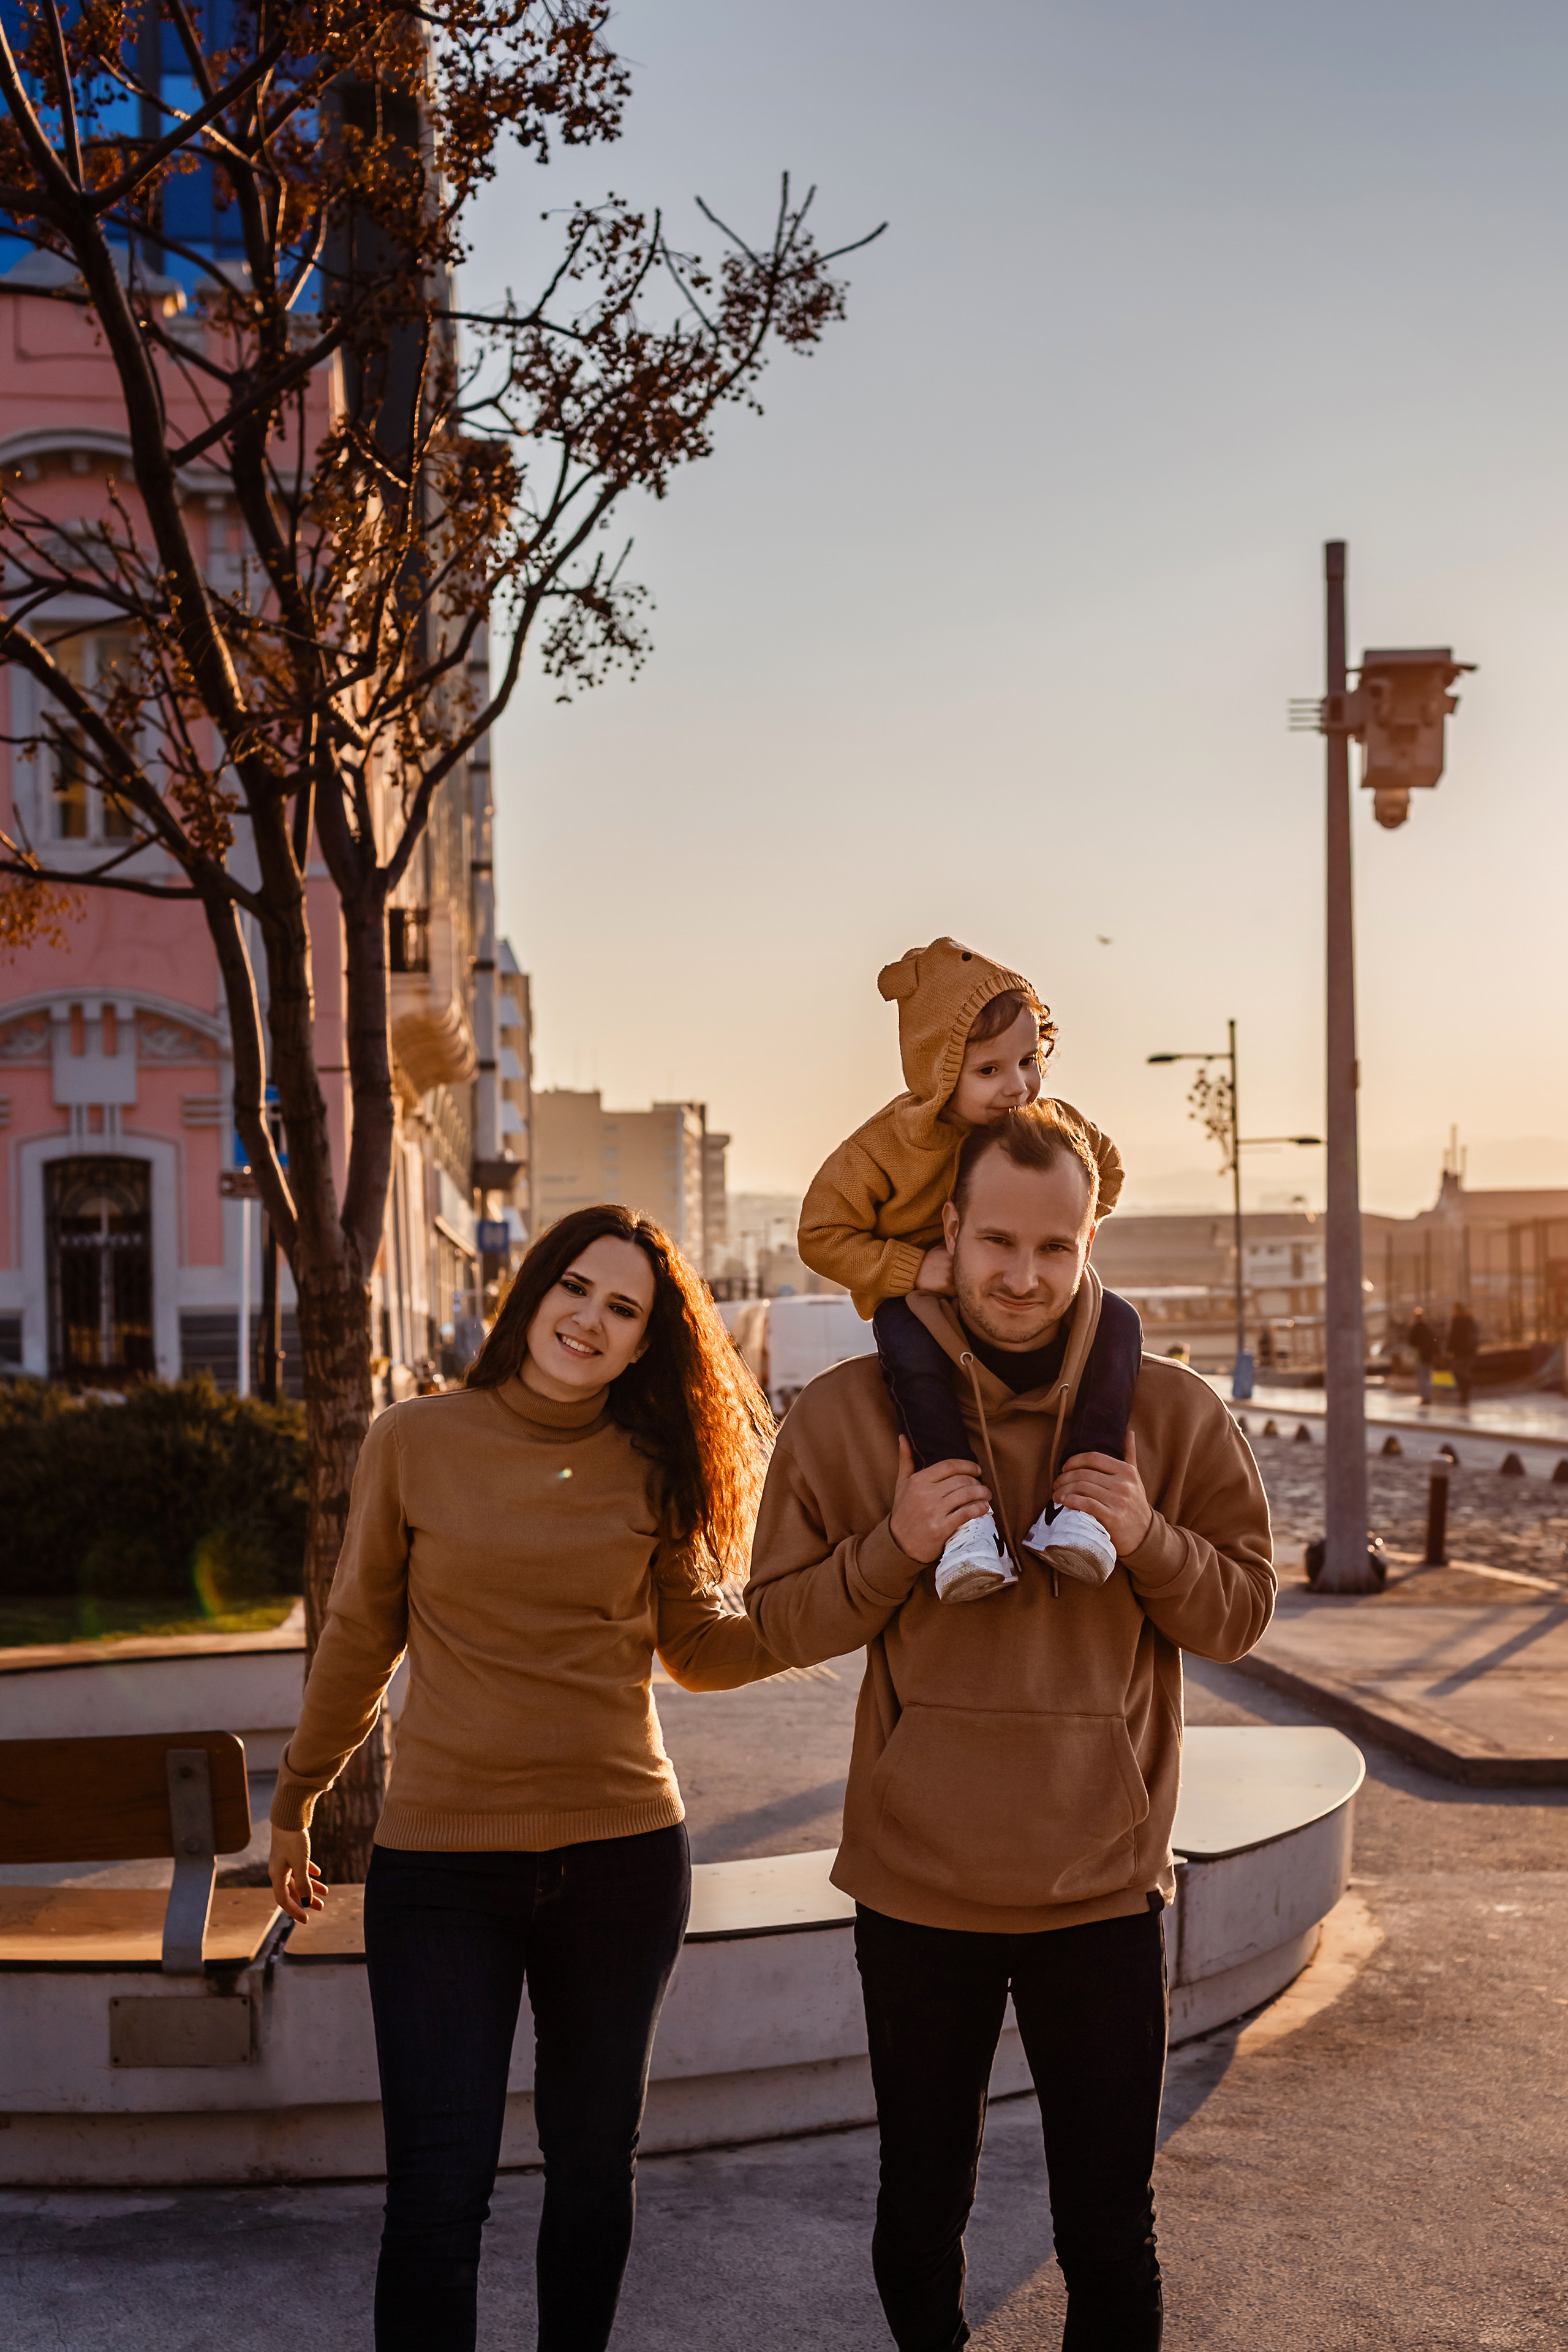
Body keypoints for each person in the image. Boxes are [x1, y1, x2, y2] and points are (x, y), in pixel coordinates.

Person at [749, 1101, 1275, 2352]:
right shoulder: (844, 1409)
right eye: (997, 1242)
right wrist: (894, 1548)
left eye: (1056, 1248)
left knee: (1107, 2235)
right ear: (947, 1228)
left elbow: (1244, 1612)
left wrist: (1146, 1538)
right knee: (919, 2216)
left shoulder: (1173, 1410)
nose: (1023, 1277)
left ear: (1089, 1242)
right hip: (915, 1889)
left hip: (1098, 1889)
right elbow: (772, 1624)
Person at [268, 1204, 782, 2352]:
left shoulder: (657, 1466)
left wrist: (865, 1585)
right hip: (442, 1870)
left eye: (623, 1310)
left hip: (622, 1863)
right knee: (437, 2199)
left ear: (648, 1343)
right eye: (576, 1290)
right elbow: (360, 1638)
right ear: (532, 1290)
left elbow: (699, 1648)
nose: (590, 1321)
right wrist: (299, 1797)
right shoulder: (415, 1439)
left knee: (595, 2174)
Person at [797, 935, 1140, 1600]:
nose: (1017, 1088)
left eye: (1028, 1061)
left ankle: (1082, 1506)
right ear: (938, 1071)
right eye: (988, 1071)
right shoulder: (886, 1147)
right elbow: (820, 1234)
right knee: (909, 1358)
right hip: (919, 1300)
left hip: (1010, 1305)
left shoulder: (1052, 1121)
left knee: (1118, 1324)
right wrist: (915, 1268)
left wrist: (1062, 1228)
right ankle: (965, 1524)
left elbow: (1109, 1169)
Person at [1446, 1300, 1480, 1408]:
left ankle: (1464, 1394)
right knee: (1466, 1371)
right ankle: (1466, 1393)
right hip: (1470, 1351)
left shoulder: (1456, 1321)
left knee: (1458, 1372)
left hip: (1459, 1352)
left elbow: (1453, 1337)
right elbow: (1476, 1333)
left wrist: (1449, 1350)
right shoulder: (1470, 1320)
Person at [1406, 1306, 1440, 1406]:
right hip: (1428, 1356)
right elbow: (1434, 1342)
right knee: (1427, 1377)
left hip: (1420, 1356)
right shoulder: (1427, 1329)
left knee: (1422, 1377)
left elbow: (1411, 1343)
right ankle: (1427, 1396)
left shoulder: (1414, 1329)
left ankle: (1425, 1397)